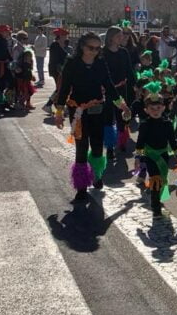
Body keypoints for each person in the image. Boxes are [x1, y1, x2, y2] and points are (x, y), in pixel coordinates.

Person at [55, 32, 129, 201]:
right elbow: (64, 89)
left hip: (97, 109)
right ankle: (81, 186)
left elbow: (109, 86)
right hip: (78, 112)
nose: (95, 51)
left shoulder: (100, 63)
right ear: (82, 46)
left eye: (97, 48)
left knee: (97, 146)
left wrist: (122, 105)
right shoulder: (72, 64)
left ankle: (96, 175)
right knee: (81, 147)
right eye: (91, 48)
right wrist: (59, 112)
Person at [134, 81, 177, 218]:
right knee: (155, 179)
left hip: (164, 155)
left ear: (163, 108)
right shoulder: (145, 125)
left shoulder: (167, 124)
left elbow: (172, 141)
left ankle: (159, 201)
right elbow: (140, 143)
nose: (155, 111)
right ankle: (155, 207)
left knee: (163, 179)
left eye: (158, 108)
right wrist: (138, 158)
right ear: (146, 110)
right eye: (152, 109)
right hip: (150, 156)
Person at [101, 26, 136, 158]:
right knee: (108, 119)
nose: (122, 38)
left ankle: (121, 142)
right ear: (111, 38)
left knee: (122, 116)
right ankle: (110, 147)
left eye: (123, 35)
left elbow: (129, 71)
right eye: (119, 36)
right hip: (107, 90)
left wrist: (135, 86)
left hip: (121, 89)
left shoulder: (124, 52)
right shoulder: (103, 53)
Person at [43, 28, 70, 114]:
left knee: (60, 88)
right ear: (60, 36)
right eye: (64, 35)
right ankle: (49, 105)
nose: (66, 37)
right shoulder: (55, 45)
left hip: (60, 70)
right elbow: (56, 60)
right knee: (60, 88)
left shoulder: (61, 45)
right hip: (57, 70)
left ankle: (56, 106)